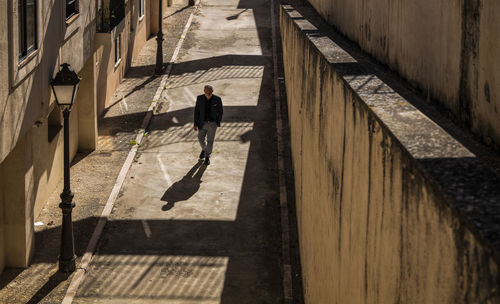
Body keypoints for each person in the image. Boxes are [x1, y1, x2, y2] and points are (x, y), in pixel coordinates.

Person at [193, 85, 223, 165]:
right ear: (204, 91)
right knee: (200, 138)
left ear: (212, 91)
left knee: (210, 141)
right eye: (207, 92)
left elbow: (220, 111)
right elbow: (197, 112)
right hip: (202, 123)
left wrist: (217, 122)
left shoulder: (217, 99)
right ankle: (205, 149)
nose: (208, 94)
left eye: (210, 92)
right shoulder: (200, 98)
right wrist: (195, 124)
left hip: (212, 124)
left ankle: (207, 157)